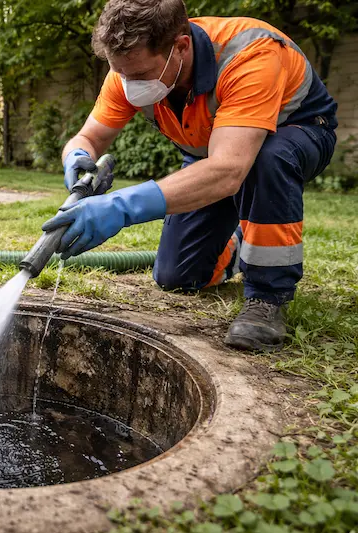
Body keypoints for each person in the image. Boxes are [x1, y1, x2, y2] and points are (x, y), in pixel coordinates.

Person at [46, 0, 337, 351]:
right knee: (176, 276)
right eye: (120, 74)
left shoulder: (249, 54)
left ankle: (267, 298)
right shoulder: (129, 68)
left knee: (266, 158)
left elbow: (229, 170)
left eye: (138, 75)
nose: (128, 85)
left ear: (180, 47)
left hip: (297, 134)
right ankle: (240, 243)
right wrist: (77, 157)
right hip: (213, 157)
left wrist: (120, 207)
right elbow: (90, 137)